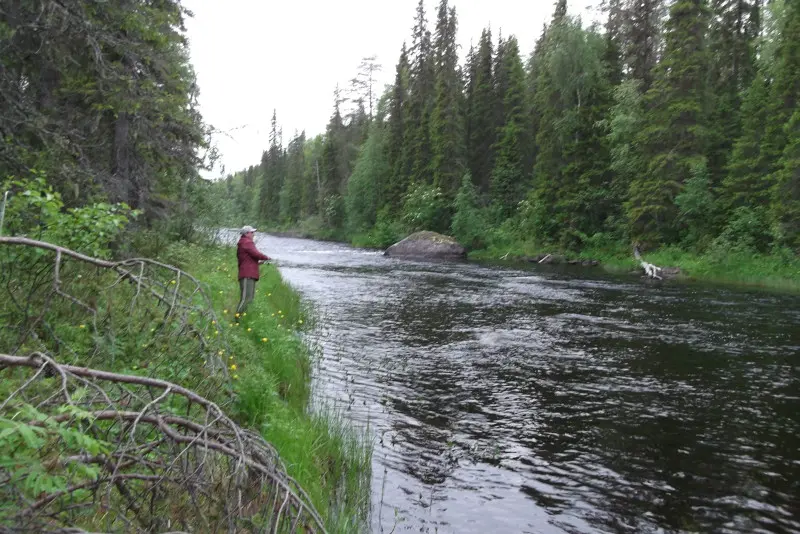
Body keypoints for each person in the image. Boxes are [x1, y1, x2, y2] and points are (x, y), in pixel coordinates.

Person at [236, 225, 271, 314]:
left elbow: (247, 259)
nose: (253, 234)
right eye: (252, 232)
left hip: (248, 274)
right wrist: (266, 257)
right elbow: (256, 254)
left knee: (249, 299)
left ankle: (242, 319)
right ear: (247, 233)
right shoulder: (247, 242)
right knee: (245, 299)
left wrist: (259, 262)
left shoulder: (244, 242)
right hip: (247, 275)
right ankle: (237, 319)